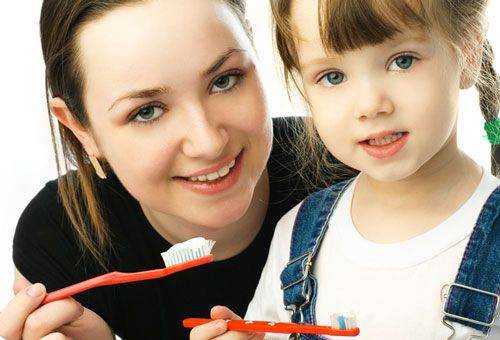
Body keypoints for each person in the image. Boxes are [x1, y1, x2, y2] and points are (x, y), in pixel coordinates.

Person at [0, 1, 343, 339]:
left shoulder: (359, 164)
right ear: (81, 130)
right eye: (147, 112)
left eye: (225, 80)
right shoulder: (59, 241)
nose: (207, 142)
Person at [190, 0, 500, 339]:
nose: (369, 104)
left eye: (402, 61)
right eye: (333, 76)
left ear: (468, 52)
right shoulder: (297, 236)